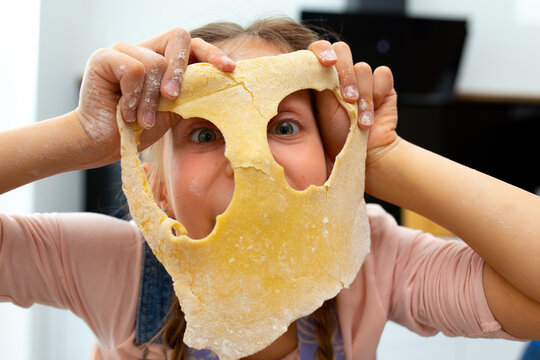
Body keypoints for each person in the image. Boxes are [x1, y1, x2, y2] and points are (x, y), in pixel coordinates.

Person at [1, 17, 539, 360]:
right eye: (206, 133)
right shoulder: (119, 267)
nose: (248, 158)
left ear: (329, 161)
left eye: (283, 127)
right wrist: (76, 138)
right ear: (155, 189)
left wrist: (379, 160)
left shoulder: (375, 260)